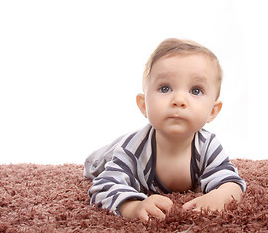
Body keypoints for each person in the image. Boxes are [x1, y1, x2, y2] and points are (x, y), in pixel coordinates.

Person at [84, 38, 246, 222]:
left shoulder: (207, 146)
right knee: (94, 165)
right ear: (144, 105)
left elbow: (231, 181)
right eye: (165, 88)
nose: (179, 99)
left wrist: (221, 196)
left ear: (213, 111)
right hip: (107, 155)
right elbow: (103, 185)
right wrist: (133, 206)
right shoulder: (132, 150)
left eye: (195, 90)